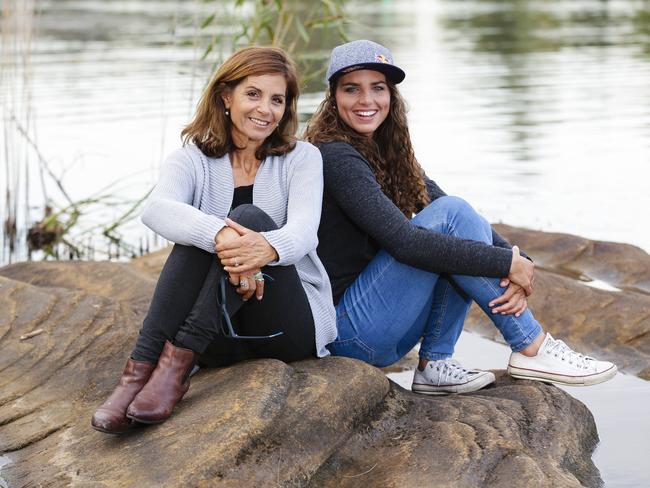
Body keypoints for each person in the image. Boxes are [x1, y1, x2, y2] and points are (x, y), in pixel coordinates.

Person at [304, 39, 617, 395]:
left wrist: (520, 262)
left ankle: (434, 363)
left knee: (454, 214)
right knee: (448, 219)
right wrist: (504, 264)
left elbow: (450, 208)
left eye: (378, 88)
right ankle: (532, 345)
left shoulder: (387, 152)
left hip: (386, 330)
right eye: (352, 89)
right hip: (349, 333)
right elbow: (404, 242)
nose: (366, 101)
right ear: (333, 98)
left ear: (391, 96)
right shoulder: (335, 156)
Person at [91, 46, 336, 434]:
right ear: (226, 96)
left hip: (286, 326)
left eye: (277, 99)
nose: (265, 109)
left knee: (249, 218)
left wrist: (264, 249)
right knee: (198, 230)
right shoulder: (191, 159)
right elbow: (156, 209)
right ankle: (138, 373)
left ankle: (174, 366)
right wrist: (220, 235)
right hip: (220, 338)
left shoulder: (302, 157)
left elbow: (303, 232)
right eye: (253, 94)